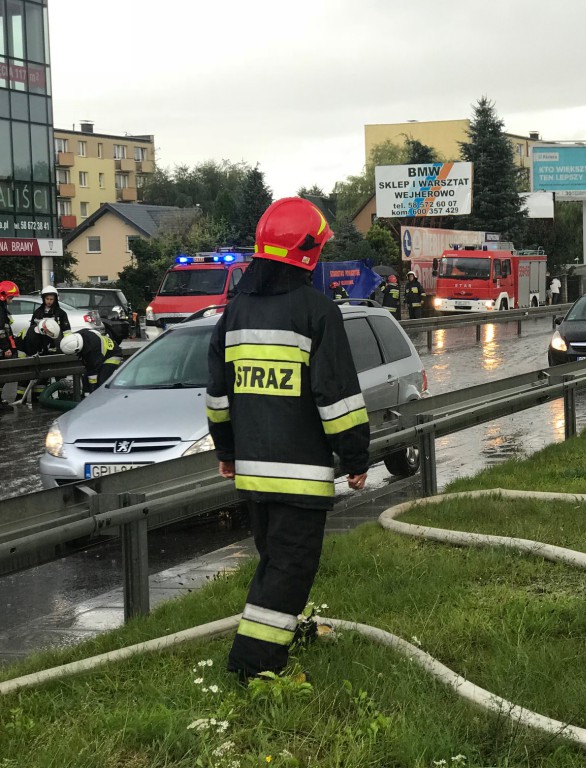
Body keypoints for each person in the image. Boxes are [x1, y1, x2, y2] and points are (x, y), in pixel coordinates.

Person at [206, 197, 370, 682]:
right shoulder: (317, 312)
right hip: (300, 477)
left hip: (253, 475)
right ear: (309, 252)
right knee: (290, 570)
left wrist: (226, 451)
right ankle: (254, 667)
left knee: (275, 564)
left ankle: (281, 636)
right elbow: (336, 396)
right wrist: (356, 456)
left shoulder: (234, 313)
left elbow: (218, 395)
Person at [59, 327, 123, 393]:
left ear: (77, 350)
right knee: (85, 380)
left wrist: (92, 389)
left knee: (102, 381)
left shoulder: (91, 351)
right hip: (102, 352)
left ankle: (107, 396)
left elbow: (92, 372)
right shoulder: (79, 335)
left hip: (113, 355)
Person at [0, 280, 17, 411]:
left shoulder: (2, 309)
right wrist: (6, 348)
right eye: (10, 297)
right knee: (3, 374)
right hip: (2, 347)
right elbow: (1, 331)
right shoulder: (0, 310)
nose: (11, 300)